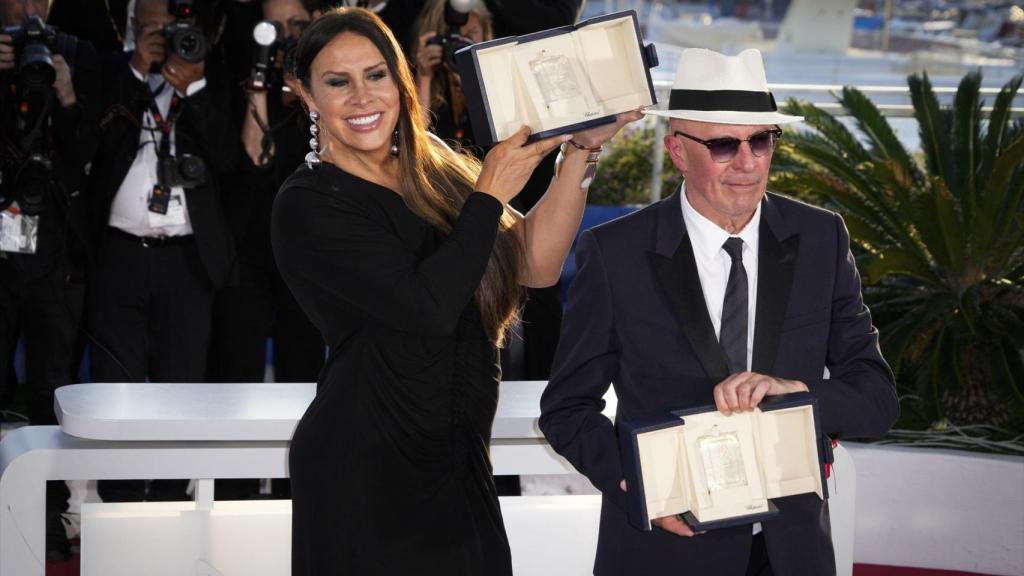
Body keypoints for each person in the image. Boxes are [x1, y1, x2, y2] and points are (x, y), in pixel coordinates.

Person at [271, 8, 640, 574]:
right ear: (305, 94)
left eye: (376, 75)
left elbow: (536, 265)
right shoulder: (309, 201)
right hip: (365, 466)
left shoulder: (437, 165)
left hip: (458, 454)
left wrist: (579, 152)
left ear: (400, 78)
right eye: (337, 82)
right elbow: (428, 309)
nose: (362, 97)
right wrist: (488, 192)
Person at [539, 48, 900, 576]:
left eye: (761, 140)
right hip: (664, 553)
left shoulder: (821, 238)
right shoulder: (615, 254)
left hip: (792, 554)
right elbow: (567, 409)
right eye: (725, 145)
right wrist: (642, 490)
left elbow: (876, 399)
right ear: (677, 151)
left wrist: (795, 393)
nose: (748, 162)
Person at [87, 0, 236, 502]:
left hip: (187, 260)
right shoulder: (113, 75)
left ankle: (173, 498)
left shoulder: (210, 82)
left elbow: (228, 158)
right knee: (117, 385)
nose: (164, 36)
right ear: (132, 29)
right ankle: (120, 500)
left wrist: (191, 85)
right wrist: (137, 73)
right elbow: (93, 146)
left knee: (182, 387)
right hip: (121, 254)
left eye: (172, 27)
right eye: (151, 26)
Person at [0, 0, 100, 560]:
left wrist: (64, 94)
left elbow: (89, 151)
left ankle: (45, 520)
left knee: (49, 388)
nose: (30, 8)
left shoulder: (78, 54)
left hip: (56, 245)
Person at [411, 0, 491, 149]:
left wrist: (469, 79)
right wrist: (424, 76)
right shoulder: (415, 75)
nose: (460, 44)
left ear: (484, 32)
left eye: (470, 35)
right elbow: (416, 138)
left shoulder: (496, 72)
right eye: (453, 39)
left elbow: (495, 135)